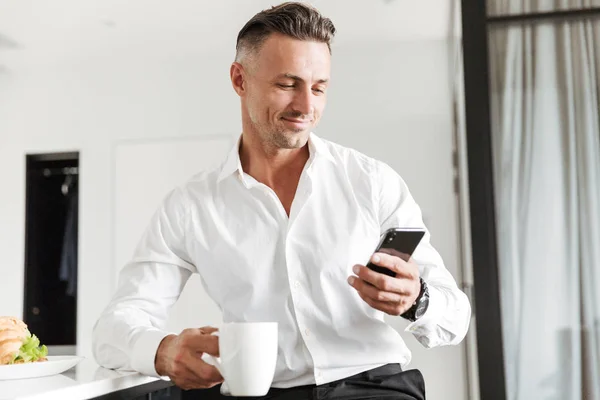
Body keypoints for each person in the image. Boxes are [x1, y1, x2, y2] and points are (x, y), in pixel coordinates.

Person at [92, 2, 471, 399]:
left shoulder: (372, 182)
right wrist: (162, 350)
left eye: (319, 87)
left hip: (372, 385)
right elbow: (113, 329)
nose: (307, 107)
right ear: (240, 79)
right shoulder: (190, 206)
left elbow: (456, 317)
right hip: (260, 390)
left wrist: (417, 298)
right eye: (288, 84)